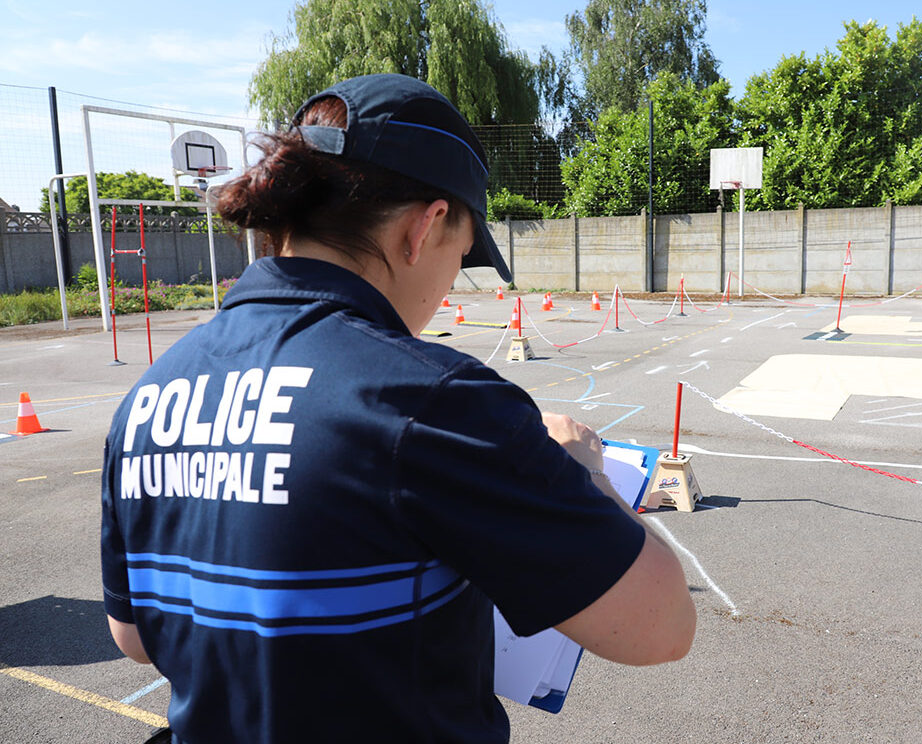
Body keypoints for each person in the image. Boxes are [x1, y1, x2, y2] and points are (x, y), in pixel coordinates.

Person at [100, 73, 695, 744]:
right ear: (425, 227)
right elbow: (662, 627)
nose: (447, 284)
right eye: (462, 255)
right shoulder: (431, 401)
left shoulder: (151, 395)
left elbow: (135, 636)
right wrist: (584, 470)